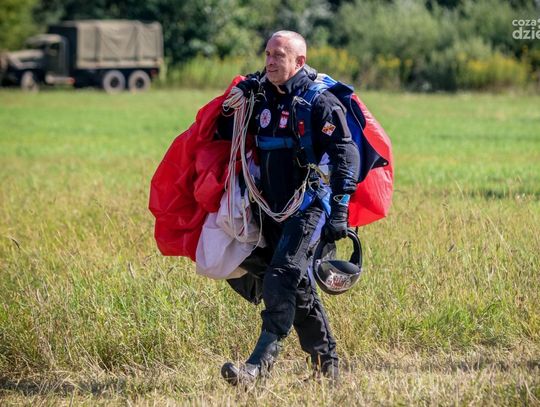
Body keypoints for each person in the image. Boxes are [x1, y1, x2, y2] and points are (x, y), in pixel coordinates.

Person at [216, 30, 360, 386]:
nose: (270, 61)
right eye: (267, 54)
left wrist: (340, 209)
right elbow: (223, 132)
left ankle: (257, 368)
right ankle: (328, 369)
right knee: (295, 286)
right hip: (269, 207)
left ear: (299, 61)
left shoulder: (319, 102)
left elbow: (346, 153)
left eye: (279, 55)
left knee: (281, 277)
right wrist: (237, 98)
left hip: (308, 207)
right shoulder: (261, 97)